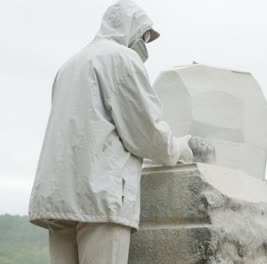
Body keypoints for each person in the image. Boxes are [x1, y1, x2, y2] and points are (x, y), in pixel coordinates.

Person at [28, 1, 194, 263]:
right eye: (144, 36)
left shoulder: (70, 64)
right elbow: (145, 133)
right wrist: (182, 147)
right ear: (132, 29)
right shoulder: (121, 59)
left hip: (57, 197)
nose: (144, 44)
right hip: (99, 198)